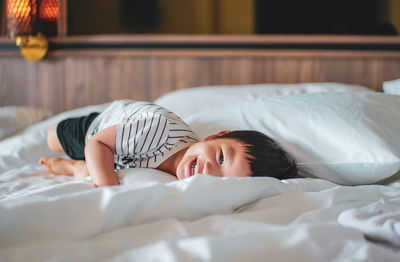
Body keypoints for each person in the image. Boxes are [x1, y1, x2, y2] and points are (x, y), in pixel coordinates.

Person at [39, 100, 297, 187]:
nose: (208, 171)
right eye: (220, 158)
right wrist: (109, 191)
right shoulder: (159, 130)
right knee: (52, 138)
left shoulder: (188, 179)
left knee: (87, 170)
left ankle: (73, 168)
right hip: (97, 130)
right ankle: (70, 156)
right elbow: (97, 145)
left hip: (118, 155)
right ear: (216, 136)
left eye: (223, 179)